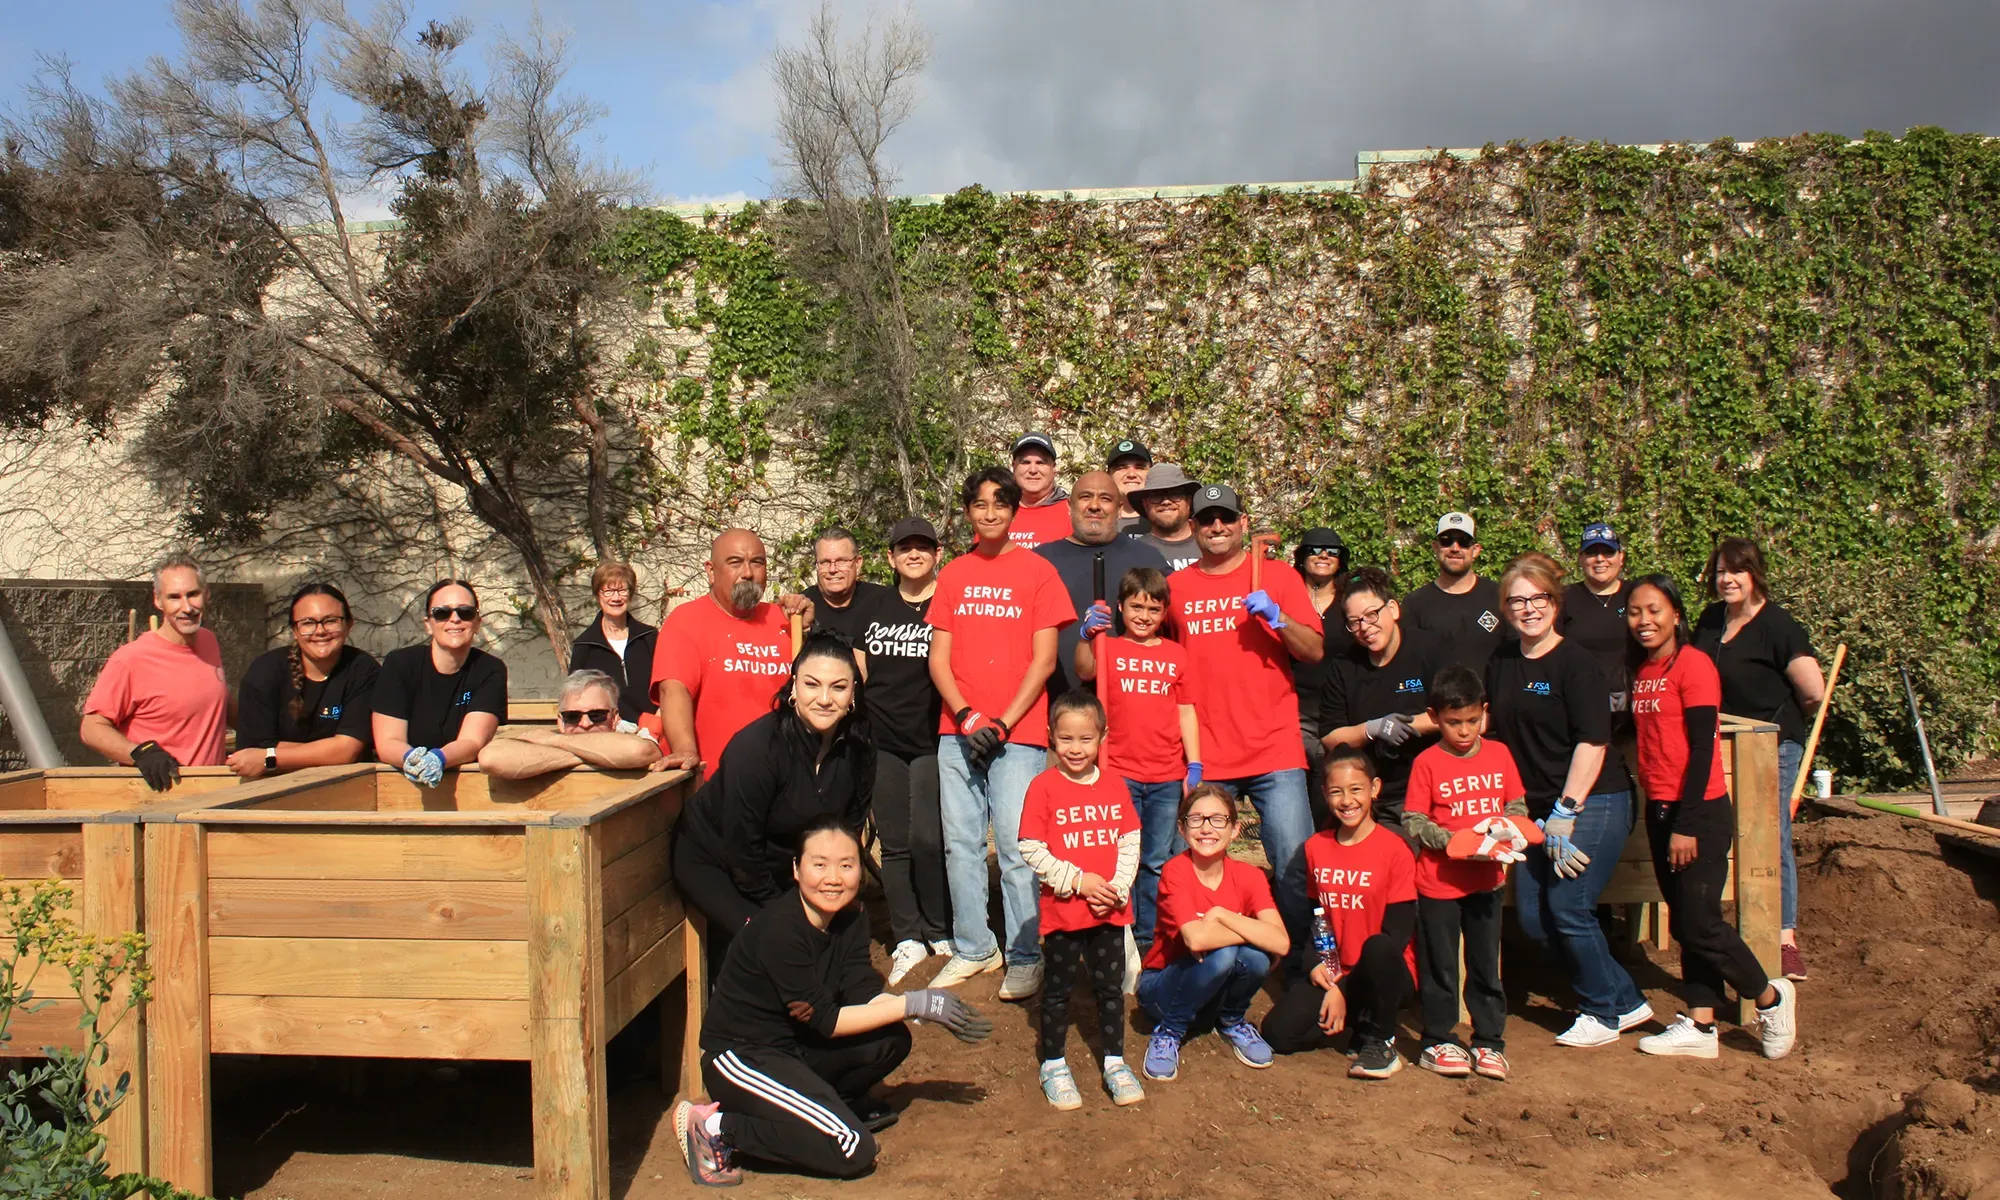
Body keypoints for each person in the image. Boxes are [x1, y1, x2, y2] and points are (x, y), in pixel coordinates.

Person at [674, 818, 994, 1187]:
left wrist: (908, 1008)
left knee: (891, 1039)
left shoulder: (852, 917)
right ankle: (717, 1127)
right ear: (796, 869)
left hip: (796, 1047)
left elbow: (860, 989)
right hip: (744, 1057)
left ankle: (827, 1108)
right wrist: (914, 1003)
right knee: (852, 1147)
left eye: (846, 865)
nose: (833, 878)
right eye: (819, 864)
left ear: (860, 869)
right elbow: (827, 1020)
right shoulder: (780, 929)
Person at [1626, 574, 1797, 1061]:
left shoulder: (1694, 666)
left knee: (1701, 922)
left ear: (1676, 615)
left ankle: (1770, 998)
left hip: (1696, 812)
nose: (1644, 620)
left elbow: (1703, 748)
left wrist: (1687, 822)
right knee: (1684, 921)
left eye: (1655, 610)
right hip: (1659, 808)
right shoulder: (1643, 672)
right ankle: (1700, 1025)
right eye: (1635, 612)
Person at [1484, 553, 1651, 1048]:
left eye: (1537, 599)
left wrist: (1567, 810)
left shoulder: (1576, 663)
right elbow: (1493, 728)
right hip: (1535, 812)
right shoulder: (1503, 662)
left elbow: (1594, 741)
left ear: (1554, 604)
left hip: (1593, 801)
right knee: (1534, 919)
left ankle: (1601, 1013)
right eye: (1517, 601)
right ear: (1506, 609)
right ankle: (1626, 999)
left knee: (1570, 907)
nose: (1528, 608)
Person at [927, 467, 1075, 998]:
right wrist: (967, 716)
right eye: (980, 504)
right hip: (958, 730)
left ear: (1015, 511)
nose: (990, 513)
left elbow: (1044, 660)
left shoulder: (1038, 572)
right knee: (961, 844)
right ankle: (973, 946)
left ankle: (1025, 952)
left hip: (1021, 734)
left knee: (1017, 848)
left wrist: (1004, 721)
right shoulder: (953, 575)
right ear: (968, 511)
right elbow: (937, 658)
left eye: (1000, 503)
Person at [1167, 483, 1323, 963]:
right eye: (1207, 519)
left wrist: (1277, 619)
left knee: (1295, 863)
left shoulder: (1277, 578)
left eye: (1226, 518)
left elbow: (1314, 650)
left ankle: (1301, 964)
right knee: (1195, 864)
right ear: (1192, 527)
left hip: (1273, 749)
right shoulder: (1176, 589)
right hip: (1207, 755)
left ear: (1243, 523)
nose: (1217, 527)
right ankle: (1208, 961)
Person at [671, 631, 873, 959]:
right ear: (793, 687)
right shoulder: (756, 749)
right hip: (716, 858)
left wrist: (830, 892)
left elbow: (846, 832)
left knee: (840, 930)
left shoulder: (860, 748)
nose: (824, 698)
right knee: (776, 940)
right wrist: (787, 910)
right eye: (811, 684)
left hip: (784, 863)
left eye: (838, 687)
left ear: (853, 694)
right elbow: (742, 850)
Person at [1692, 537, 1825, 983]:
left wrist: (1774, 726)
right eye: (1720, 572)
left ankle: (1783, 938)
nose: (1726, 579)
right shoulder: (1711, 621)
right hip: (1719, 741)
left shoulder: (1779, 626)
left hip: (1770, 747)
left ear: (1755, 574)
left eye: (1736, 571)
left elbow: (1813, 691)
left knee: (1770, 833)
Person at [1399, 666, 1535, 1082]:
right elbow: (1413, 818)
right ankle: (1438, 1038)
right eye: (1453, 722)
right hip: (1439, 882)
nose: (1463, 731)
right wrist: (1449, 840)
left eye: (1472, 721)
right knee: (1440, 963)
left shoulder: (1500, 754)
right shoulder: (1426, 762)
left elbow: (1517, 807)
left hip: (1487, 881)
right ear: (1434, 716)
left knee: (1484, 964)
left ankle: (1489, 1041)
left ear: (1485, 714)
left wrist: (1507, 830)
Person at [1017, 692, 1145, 1110]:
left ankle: (1114, 1061)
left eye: (1086, 739)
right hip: (1064, 915)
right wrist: (1078, 881)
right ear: (1051, 737)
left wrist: (1117, 888)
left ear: (1102, 738)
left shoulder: (1114, 785)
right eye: (1067, 739)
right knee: (1058, 992)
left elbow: (1129, 840)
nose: (1076, 749)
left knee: (1110, 991)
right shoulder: (1043, 787)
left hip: (1110, 912)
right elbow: (1031, 847)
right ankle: (1053, 1063)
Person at [1261, 747, 1417, 1080]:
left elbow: (1397, 934)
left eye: (1356, 789)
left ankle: (1381, 1041)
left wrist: (1342, 990)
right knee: (1277, 1033)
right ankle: (1354, 1022)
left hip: (1384, 974)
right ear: (1325, 795)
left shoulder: (1396, 849)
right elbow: (1318, 920)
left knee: (1378, 947)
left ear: (1375, 788)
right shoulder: (1316, 847)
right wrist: (1325, 974)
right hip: (1336, 967)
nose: (1347, 800)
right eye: (1336, 791)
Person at [1074, 566, 1199, 952]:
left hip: (1165, 775)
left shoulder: (1176, 655)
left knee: (1155, 860)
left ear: (1165, 613)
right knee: (1118, 858)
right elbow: (1084, 669)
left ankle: (1146, 938)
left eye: (1154, 609)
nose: (1144, 616)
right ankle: (1115, 932)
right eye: (1136, 607)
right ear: (1120, 607)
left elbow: (1186, 710)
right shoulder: (1108, 647)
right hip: (1119, 772)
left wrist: (1194, 764)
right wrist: (1086, 635)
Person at [1135, 783, 1290, 1082]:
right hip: (1163, 988)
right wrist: (1252, 930)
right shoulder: (1176, 871)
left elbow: (1281, 942)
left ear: (1235, 829)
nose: (1207, 828)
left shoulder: (1250, 877)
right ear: (1182, 828)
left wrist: (1221, 916)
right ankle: (1170, 1030)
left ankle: (1231, 1019)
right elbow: (1196, 939)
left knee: (1255, 958)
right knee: (1228, 953)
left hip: (1211, 990)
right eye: (1196, 819)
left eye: (1218, 819)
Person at [859, 518, 954, 986]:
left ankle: (939, 929)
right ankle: (907, 937)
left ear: (937, 553)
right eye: (904, 548)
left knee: (929, 841)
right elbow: (858, 666)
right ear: (891, 557)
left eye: (922, 547)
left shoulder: (949, 601)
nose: (913, 555)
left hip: (933, 739)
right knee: (894, 844)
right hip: (883, 742)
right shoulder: (874, 602)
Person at [649, 528, 814, 780]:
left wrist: (810, 631)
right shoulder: (687, 621)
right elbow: (673, 690)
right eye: (735, 562)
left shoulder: (785, 621)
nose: (747, 573)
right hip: (714, 783)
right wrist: (685, 751)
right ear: (710, 571)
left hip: (781, 781)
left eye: (757, 562)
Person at [81, 552, 230, 789]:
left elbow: (216, 702)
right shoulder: (131, 659)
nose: (187, 607)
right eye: (174, 597)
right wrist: (139, 752)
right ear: (158, 601)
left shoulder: (208, 641)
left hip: (213, 793)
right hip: (162, 800)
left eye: (193, 594)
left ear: (206, 594)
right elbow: (91, 728)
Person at [1318, 567, 1444, 827]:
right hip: (1371, 796)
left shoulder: (1429, 649)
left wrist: (1409, 726)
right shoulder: (1345, 667)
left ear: (1394, 609)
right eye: (1355, 622)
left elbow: (1462, 715)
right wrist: (1372, 729)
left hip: (1428, 788)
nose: (1365, 627)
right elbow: (1331, 736)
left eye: (1371, 615)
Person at [1036, 470, 1168, 697]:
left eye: (1105, 499)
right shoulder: (1040, 561)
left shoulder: (1148, 558)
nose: (1094, 506)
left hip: (1129, 702)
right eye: (1085, 497)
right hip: (1058, 706)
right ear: (1070, 506)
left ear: (1118, 509)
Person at [229, 583, 377, 779]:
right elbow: (252, 751)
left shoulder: (363, 669)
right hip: (270, 788)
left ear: (349, 625)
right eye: (308, 623)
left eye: (330, 621)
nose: (320, 631)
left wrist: (271, 756)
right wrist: (328, 751)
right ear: (294, 630)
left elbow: (347, 751)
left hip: (347, 787)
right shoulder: (265, 671)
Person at [371, 580, 507, 788]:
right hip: (398, 782)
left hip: (464, 783)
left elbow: (472, 741)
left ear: (478, 622)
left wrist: (439, 758)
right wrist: (411, 758)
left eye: (466, 612)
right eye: (442, 612)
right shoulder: (399, 664)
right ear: (428, 623)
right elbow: (387, 741)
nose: (455, 619)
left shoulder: (490, 670)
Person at [476, 669, 661, 779]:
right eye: (573, 716)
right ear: (560, 721)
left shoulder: (633, 734)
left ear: (614, 718)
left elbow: (643, 751)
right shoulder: (550, 737)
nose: (585, 723)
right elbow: (490, 757)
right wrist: (594, 754)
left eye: (597, 715)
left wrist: (554, 741)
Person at [1290, 528, 1353, 824]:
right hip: (1294, 708)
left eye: (1332, 550)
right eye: (1314, 549)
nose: (1324, 555)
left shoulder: (1350, 600)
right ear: (1302, 557)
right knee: (1295, 795)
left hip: (1340, 709)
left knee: (1331, 789)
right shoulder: (1286, 596)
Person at [1401, 512, 1508, 675]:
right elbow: (1409, 663)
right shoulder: (1415, 604)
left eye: (1464, 542)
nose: (1455, 548)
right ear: (1435, 547)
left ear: (1476, 550)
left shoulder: (1498, 596)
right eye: (1446, 541)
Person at [1560, 523, 1637, 720]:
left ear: (1621, 556)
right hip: (1580, 707)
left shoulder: (1637, 595)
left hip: (1633, 709)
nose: (1600, 559)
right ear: (1581, 557)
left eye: (1608, 552)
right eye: (1592, 552)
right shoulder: (1564, 599)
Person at [566, 562, 657, 728]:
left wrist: (654, 725)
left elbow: (666, 688)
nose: (616, 598)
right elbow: (576, 699)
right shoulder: (585, 645)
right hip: (605, 734)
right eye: (608, 591)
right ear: (597, 595)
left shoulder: (650, 638)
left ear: (630, 594)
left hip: (653, 731)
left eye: (622, 590)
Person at [1127, 463, 1202, 572]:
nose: (1166, 501)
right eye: (1156, 495)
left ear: (1189, 500)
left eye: (1175, 494)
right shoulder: (1133, 552)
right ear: (1145, 504)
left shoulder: (1209, 545)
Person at [1005, 432, 1073, 548]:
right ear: (1014, 466)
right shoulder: (998, 511)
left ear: (1053, 468)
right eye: (1025, 462)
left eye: (1041, 462)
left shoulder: (1072, 512)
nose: (1032, 470)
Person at [1105, 438, 1153, 533]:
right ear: (1109, 474)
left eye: (1139, 467)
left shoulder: (1164, 518)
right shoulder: (1096, 519)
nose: (1131, 474)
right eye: (1122, 468)